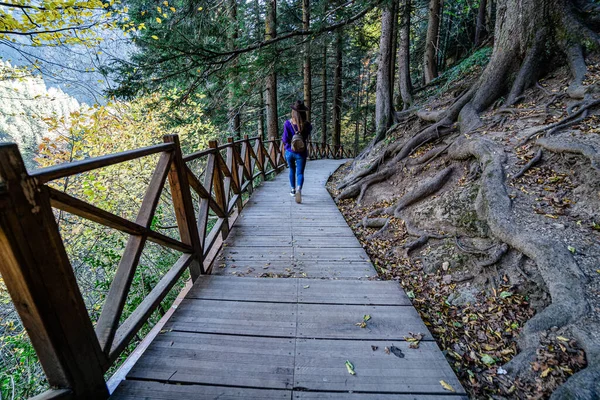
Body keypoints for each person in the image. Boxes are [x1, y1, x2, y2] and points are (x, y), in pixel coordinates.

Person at [282, 100, 312, 203]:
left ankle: (293, 190)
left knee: (292, 170)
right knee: (300, 173)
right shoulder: (307, 125)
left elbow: (285, 139)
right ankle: (299, 188)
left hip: (290, 152)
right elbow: (306, 137)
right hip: (301, 152)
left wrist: (287, 146)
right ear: (304, 112)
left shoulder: (287, 123)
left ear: (293, 112)